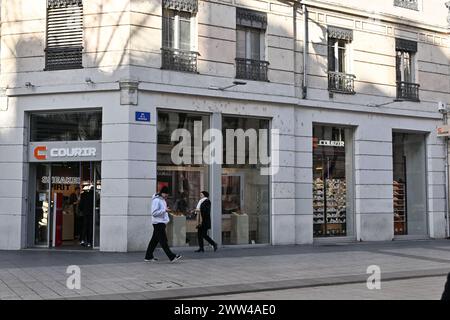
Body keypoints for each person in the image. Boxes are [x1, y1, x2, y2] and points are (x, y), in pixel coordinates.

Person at [145, 186, 182, 262]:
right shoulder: (157, 201)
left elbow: (161, 211)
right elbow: (154, 213)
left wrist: (165, 210)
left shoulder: (162, 200)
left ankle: (148, 256)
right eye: (166, 194)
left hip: (160, 222)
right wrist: (164, 210)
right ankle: (172, 256)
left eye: (167, 194)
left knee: (154, 241)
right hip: (158, 223)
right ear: (162, 193)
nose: (167, 196)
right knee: (163, 241)